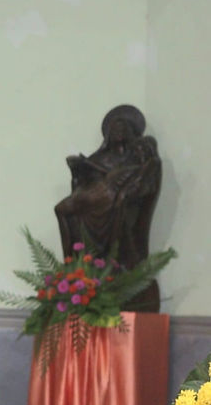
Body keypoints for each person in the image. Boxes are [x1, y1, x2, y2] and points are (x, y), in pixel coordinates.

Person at [54, 104, 162, 310]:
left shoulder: (138, 157)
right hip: (95, 198)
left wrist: (124, 193)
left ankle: (111, 269)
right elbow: (81, 186)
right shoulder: (99, 158)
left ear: (132, 133)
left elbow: (145, 185)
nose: (118, 132)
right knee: (62, 211)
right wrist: (77, 175)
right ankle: (73, 268)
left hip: (118, 203)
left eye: (123, 129)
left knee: (115, 207)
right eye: (114, 129)